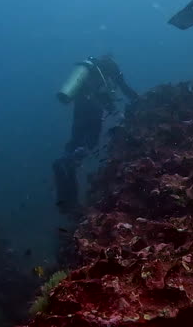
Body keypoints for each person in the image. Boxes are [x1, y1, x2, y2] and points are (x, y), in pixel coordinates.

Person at [52, 54, 139, 214]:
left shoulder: (90, 71)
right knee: (89, 144)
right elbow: (121, 88)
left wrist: (112, 108)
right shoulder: (111, 68)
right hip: (94, 109)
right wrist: (138, 101)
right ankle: (72, 158)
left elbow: (100, 94)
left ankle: (65, 175)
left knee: (74, 142)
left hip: (80, 108)